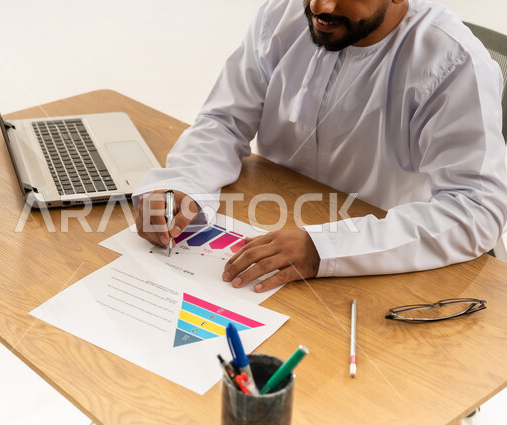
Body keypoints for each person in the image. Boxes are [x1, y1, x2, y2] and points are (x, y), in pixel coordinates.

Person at [132, 0, 507, 293]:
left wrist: (323, 249)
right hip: (267, 218)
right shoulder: (282, 15)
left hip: (379, 261)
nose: (320, 8)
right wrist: (183, 182)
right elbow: (224, 120)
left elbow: (477, 210)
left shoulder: (455, 64)